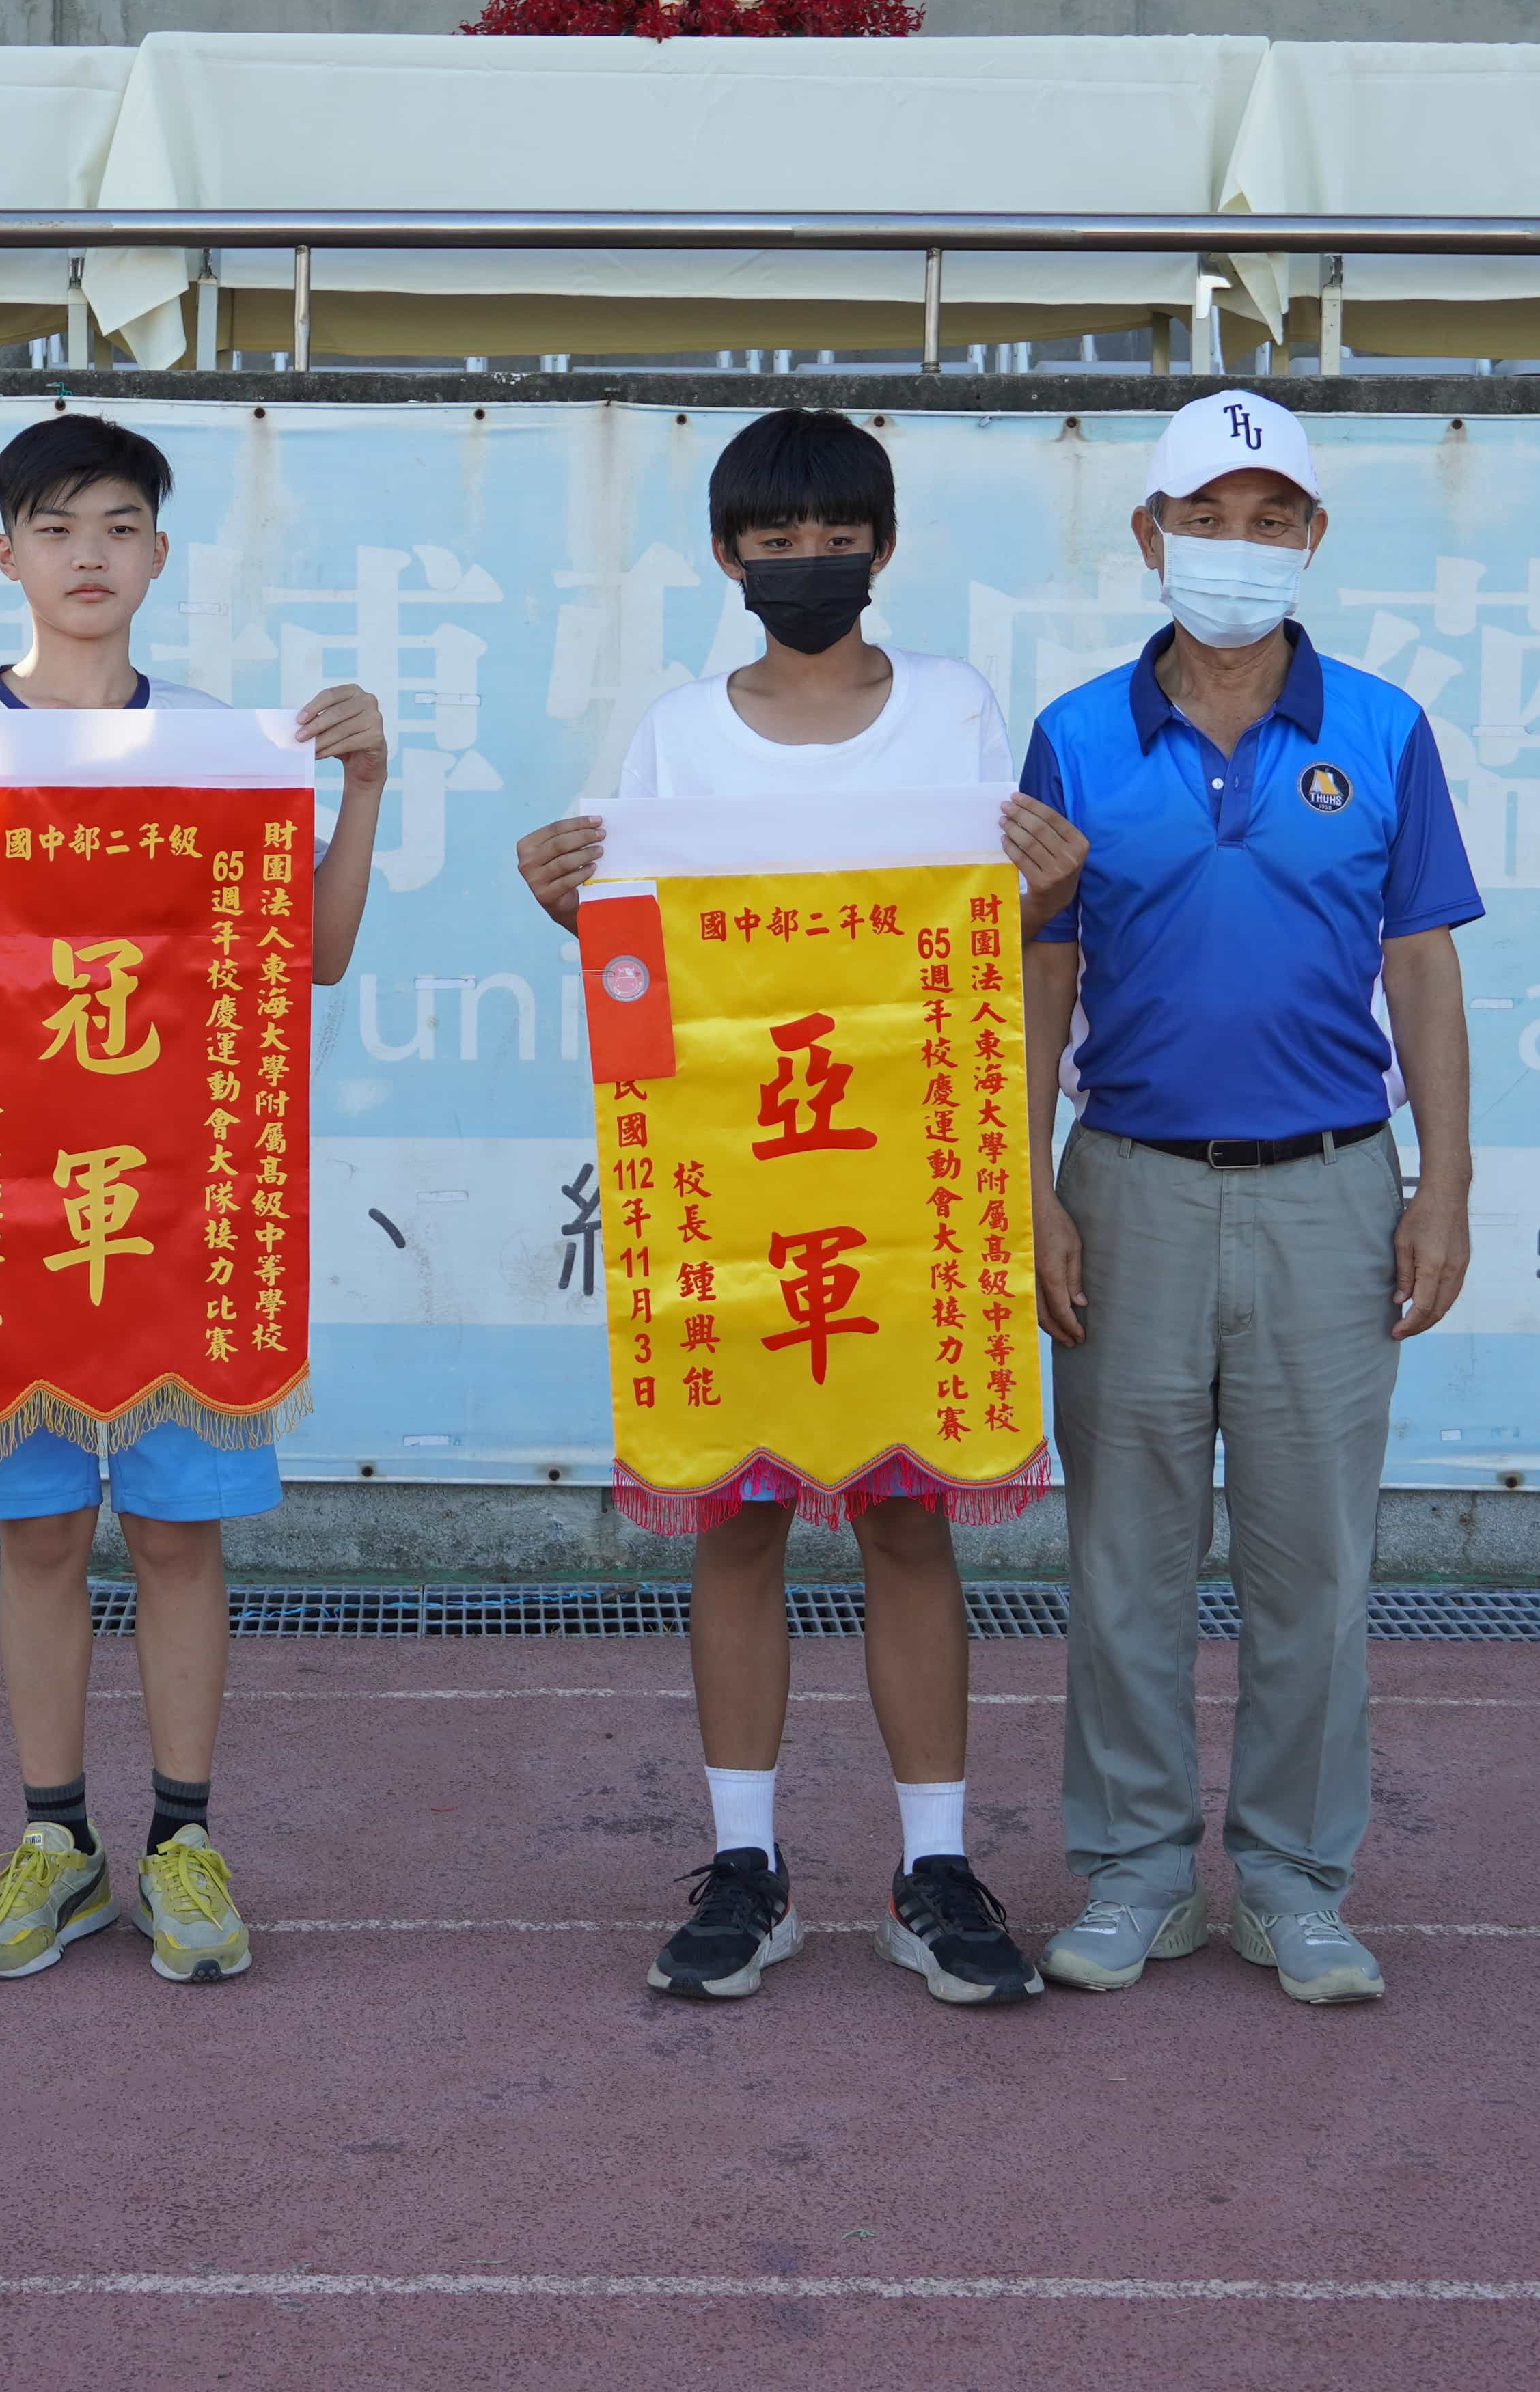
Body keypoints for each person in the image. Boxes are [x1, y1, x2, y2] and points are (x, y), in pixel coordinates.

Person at [0, 412, 391, 1986]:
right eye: (58, 527)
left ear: (160, 555)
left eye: (121, 525)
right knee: (43, 1537)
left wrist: (363, 785)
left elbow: (316, 956)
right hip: (9, 1207)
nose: (90, 555)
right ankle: (56, 1843)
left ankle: (184, 1839)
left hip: (185, 1211)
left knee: (182, 1540)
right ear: (6, 554)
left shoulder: (215, 743)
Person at [515, 407, 1089, 2009]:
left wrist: (1049, 888)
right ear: (727, 557)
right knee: (739, 1517)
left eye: (837, 537)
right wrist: (573, 912)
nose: (808, 563)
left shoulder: (957, 710)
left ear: (884, 546)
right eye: (776, 542)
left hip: (912, 1177)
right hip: (739, 1180)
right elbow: (642, 988)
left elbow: (990, 949)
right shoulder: (678, 737)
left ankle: (934, 1867)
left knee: (909, 1519)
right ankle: (745, 1864)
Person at [1015, 390, 1481, 2008]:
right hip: (1128, 1186)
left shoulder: (1384, 732)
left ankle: (1293, 1881)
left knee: (1314, 1569)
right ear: (1150, 535)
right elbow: (1041, 969)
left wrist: (1443, 1185)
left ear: (1313, 538)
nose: (1239, 546)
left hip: (1332, 1190)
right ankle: (1137, 1872)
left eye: (1273, 519)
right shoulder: (1076, 735)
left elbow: (1421, 967)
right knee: (1123, 1562)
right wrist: (1028, 1185)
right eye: (1207, 517)